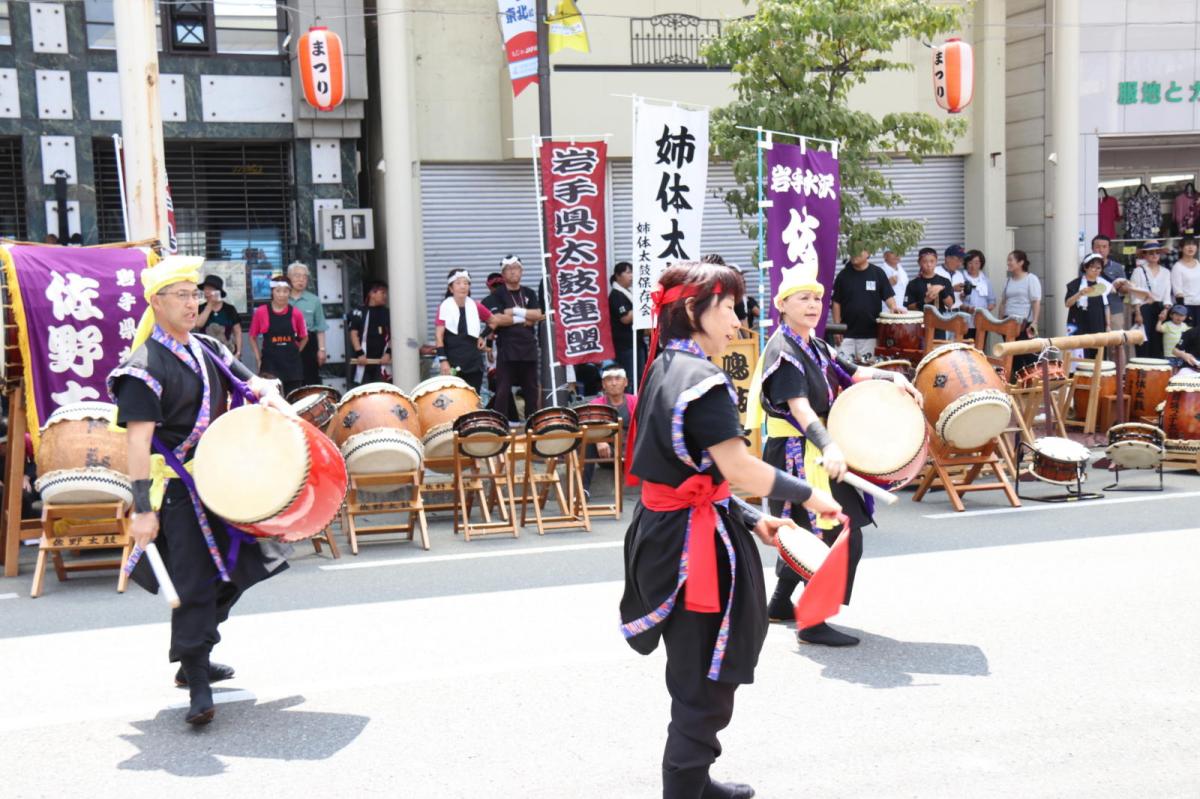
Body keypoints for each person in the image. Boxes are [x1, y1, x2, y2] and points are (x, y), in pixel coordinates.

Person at [620, 260, 840, 799]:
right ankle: (684, 789)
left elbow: (693, 473)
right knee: (704, 679)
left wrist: (751, 516)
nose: (739, 323)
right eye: (730, 309)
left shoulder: (667, 364)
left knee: (695, 669)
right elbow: (737, 469)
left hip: (669, 530)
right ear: (694, 310)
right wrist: (809, 494)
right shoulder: (703, 378)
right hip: (692, 548)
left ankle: (696, 779)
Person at [107, 256, 293, 725]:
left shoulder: (208, 346)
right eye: (183, 295)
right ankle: (197, 680)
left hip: (217, 481)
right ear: (156, 302)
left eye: (196, 294)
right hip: (173, 492)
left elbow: (252, 382)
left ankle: (197, 653)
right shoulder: (142, 366)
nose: (195, 303)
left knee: (240, 567)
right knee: (193, 583)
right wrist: (142, 509)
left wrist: (270, 394)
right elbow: (136, 444)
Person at [748, 260, 922, 647]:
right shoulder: (784, 351)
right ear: (783, 304)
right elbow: (801, 409)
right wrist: (828, 446)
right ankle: (813, 621)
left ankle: (779, 604)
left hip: (815, 447)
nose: (813, 305)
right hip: (798, 453)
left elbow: (851, 371)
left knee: (806, 531)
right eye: (803, 299)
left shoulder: (812, 343)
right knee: (837, 533)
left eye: (817, 298)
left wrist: (890, 376)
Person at [482, 255, 544, 420]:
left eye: (516, 268)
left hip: (528, 347)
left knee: (531, 389)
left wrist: (515, 311)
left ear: (521, 271)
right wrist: (525, 318)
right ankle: (500, 425)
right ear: (503, 273)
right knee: (503, 389)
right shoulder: (496, 296)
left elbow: (538, 314)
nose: (513, 272)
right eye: (509, 269)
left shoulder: (529, 292)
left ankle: (532, 425)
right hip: (507, 349)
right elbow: (497, 320)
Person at [831, 248, 899, 361]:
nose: (854, 254)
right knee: (843, 372)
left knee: (868, 371)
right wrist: (837, 329)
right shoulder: (843, 275)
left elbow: (888, 297)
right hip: (846, 335)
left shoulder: (877, 273)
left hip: (870, 335)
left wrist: (894, 308)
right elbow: (836, 303)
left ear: (868, 253)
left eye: (858, 250)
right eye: (852, 251)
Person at [249, 274, 308, 396]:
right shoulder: (261, 312)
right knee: (270, 401)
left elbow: (304, 337)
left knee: (294, 400)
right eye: (278, 291)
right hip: (270, 364)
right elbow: (252, 336)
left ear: (289, 293)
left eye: (285, 291)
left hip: (292, 365)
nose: (281, 294)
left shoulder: (296, 313)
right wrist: (258, 358)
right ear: (272, 292)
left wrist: (296, 351)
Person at [582, 365, 637, 494]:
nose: (613, 383)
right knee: (589, 443)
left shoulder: (635, 401)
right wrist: (598, 440)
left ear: (626, 382)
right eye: (609, 379)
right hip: (608, 454)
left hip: (633, 454)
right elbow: (587, 427)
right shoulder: (595, 404)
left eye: (618, 378)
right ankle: (583, 490)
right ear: (603, 384)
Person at [435, 269, 492, 392]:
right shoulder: (444, 307)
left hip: (474, 363)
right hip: (452, 362)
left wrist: (482, 336)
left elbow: (493, 321)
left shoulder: (475, 306)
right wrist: (443, 360)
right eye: (458, 283)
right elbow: (439, 337)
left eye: (466, 283)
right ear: (451, 288)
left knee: (473, 400)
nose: (463, 286)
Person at [997, 250, 1043, 379]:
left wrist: (1034, 321)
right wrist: (999, 321)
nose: (1008, 263)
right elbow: (1003, 301)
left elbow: (1036, 302)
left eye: (1011, 260)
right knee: (1012, 355)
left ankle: (1032, 381)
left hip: (1024, 322)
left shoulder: (1031, 279)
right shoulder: (1008, 281)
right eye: (1008, 260)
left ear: (1021, 262)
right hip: (1008, 322)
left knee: (1027, 354)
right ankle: (1017, 382)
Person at [287, 262, 328, 386]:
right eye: (297, 276)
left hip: (309, 342)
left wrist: (321, 349)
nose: (301, 280)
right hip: (286, 341)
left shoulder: (314, 300)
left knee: (309, 378)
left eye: (304, 277)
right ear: (288, 277)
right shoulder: (282, 298)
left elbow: (320, 327)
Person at [1129, 243, 1173, 358]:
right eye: (1151, 253)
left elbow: (1167, 293)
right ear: (1145, 255)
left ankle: (1157, 372)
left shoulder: (1166, 272)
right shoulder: (1138, 271)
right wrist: (1138, 313)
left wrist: (1166, 310)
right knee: (1143, 341)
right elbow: (1134, 294)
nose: (1154, 255)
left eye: (1157, 252)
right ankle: (1142, 371)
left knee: (1158, 342)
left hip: (1160, 309)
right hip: (1143, 308)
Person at [1065, 254, 1112, 360]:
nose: (1095, 270)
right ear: (1085, 267)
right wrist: (1080, 293)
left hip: (1098, 322)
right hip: (1079, 321)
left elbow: (1106, 306)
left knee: (1098, 351)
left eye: (1098, 268)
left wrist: (1108, 325)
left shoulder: (1103, 284)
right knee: (1080, 350)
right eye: (1092, 267)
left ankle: (1097, 375)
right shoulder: (1076, 284)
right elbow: (1067, 303)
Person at [348, 280, 391, 385]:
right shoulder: (359, 311)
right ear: (372, 293)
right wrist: (360, 353)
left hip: (382, 361)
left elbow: (392, 335)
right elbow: (354, 333)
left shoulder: (387, 313)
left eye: (386, 293)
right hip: (363, 359)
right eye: (382, 293)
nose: (385, 296)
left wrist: (388, 353)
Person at [608, 261, 642, 391]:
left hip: (636, 343)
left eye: (632, 272)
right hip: (625, 346)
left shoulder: (629, 292)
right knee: (629, 378)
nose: (631, 276)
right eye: (628, 272)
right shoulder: (616, 295)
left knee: (639, 377)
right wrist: (642, 306)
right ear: (618, 275)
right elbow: (626, 318)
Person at [195, 276, 242, 358]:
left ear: (218, 291)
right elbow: (198, 324)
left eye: (210, 289)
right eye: (205, 289)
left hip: (228, 352)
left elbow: (237, 332)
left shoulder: (230, 309)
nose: (207, 292)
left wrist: (238, 352)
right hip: (207, 354)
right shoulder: (201, 308)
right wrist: (210, 304)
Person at [904, 247, 955, 313]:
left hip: (941, 320)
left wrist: (942, 289)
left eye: (932, 261)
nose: (929, 264)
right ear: (919, 263)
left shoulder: (945, 281)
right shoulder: (913, 284)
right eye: (925, 261)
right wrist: (925, 301)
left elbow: (950, 304)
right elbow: (909, 307)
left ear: (936, 261)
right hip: (921, 320)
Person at [1172, 236, 1200, 327]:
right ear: (1181, 248)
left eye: (1193, 245)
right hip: (1186, 306)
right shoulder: (1177, 267)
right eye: (1187, 245)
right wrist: (1182, 312)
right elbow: (1177, 291)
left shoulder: (1198, 264)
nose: (1191, 247)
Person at [935, 244, 967, 309]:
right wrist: (952, 289)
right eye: (958, 260)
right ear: (947, 258)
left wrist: (963, 295)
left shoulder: (959, 274)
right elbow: (933, 295)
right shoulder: (935, 272)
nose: (960, 264)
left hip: (958, 312)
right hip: (941, 313)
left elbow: (960, 299)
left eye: (962, 261)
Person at [1160, 305, 1190, 369]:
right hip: (1169, 355)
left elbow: (1191, 334)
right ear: (1171, 315)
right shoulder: (1167, 324)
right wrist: (1160, 320)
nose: (1179, 317)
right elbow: (1158, 329)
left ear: (1185, 317)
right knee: (1170, 370)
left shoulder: (1185, 326)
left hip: (1181, 354)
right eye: (1176, 315)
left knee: (1180, 371)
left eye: (1181, 315)